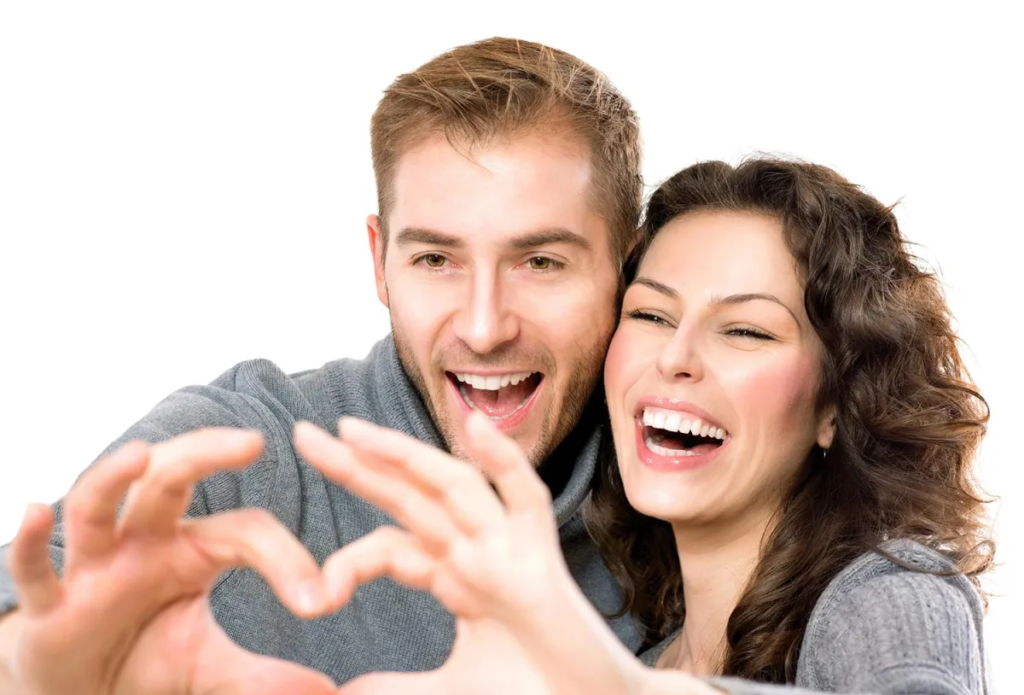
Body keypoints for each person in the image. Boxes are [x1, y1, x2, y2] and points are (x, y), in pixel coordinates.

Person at [0, 37, 645, 693]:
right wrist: (35, 663)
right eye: (434, 259)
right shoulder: (251, 447)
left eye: (540, 262)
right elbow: (38, 600)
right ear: (379, 261)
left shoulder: (671, 486)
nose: (484, 329)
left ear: (629, 267)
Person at [299, 157, 994, 694]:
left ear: (836, 405)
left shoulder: (889, 588)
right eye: (651, 315)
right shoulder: (643, 649)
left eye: (746, 330)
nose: (675, 358)